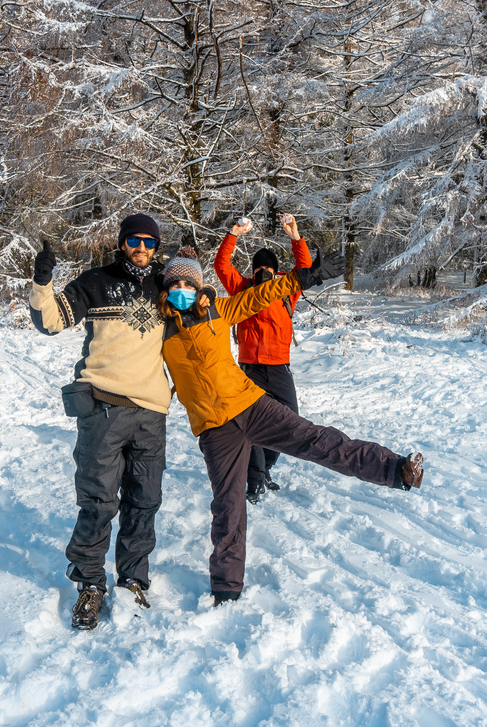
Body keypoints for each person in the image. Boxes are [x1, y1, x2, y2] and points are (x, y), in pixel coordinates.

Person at [158, 248, 424, 606]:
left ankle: (394, 469)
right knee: (229, 508)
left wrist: (306, 276)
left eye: (188, 283)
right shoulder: (157, 331)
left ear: (199, 285)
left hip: (251, 405)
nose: (181, 289)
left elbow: (261, 294)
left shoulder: (218, 309)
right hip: (214, 429)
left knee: (317, 440)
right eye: (173, 283)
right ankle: (226, 589)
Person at [29, 213, 173, 631]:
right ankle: (90, 583)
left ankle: (132, 579)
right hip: (103, 409)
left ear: (156, 246)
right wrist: (43, 282)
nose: (141, 247)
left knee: (144, 501)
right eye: (134, 240)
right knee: (98, 502)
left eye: (149, 241)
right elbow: (50, 321)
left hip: (152, 413)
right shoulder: (96, 281)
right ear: (122, 242)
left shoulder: (167, 285)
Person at [213, 214, 312, 503]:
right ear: (253, 271)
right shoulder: (241, 289)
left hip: (280, 368)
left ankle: (264, 469)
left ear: (277, 272)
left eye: (269, 268)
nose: (264, 272)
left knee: (288, 422)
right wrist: (233, 234)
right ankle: (254, 480)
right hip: (249, 369)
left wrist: (295, 236)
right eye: (259, 268)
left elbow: (305, 268)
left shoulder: (286, 291)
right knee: (250, 424)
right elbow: (221, 266)